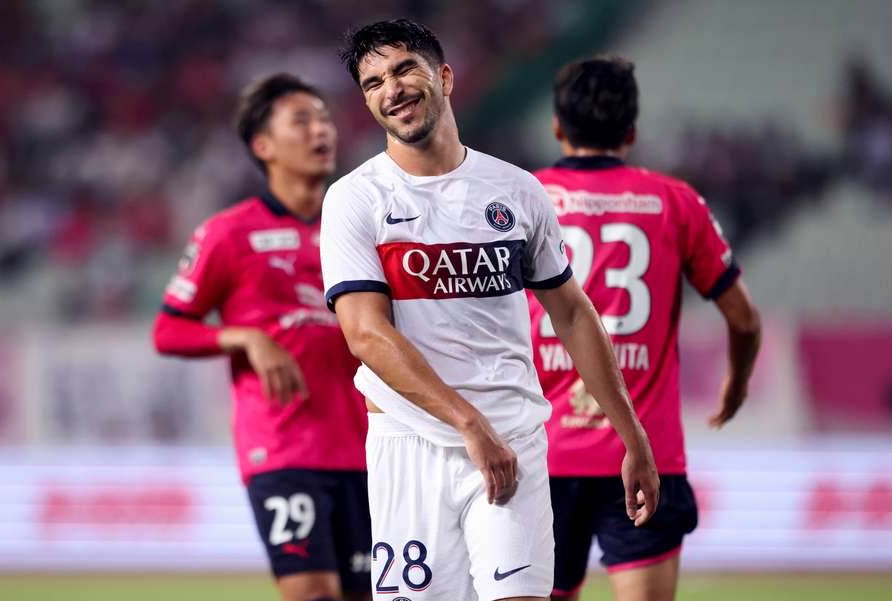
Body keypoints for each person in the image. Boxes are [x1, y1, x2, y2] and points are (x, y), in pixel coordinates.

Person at [320, 20, 659, 601]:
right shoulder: (356, 198)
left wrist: (634, 437)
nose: (392, 89)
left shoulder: (517, 190)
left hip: (513, 438)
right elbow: (367, 335)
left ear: (444, 76)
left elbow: (573, 315)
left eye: (404, 69)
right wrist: (466, 425)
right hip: (410, 445)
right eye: (373, 82)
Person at [527, 55, 762, 601]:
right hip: (643, 454)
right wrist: (738, 382)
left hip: (540, 452)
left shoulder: (523, 197)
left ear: (558, 127)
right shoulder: (675, 202)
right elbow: (745, 320)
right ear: (632, 131)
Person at [152, 74, 371, 601]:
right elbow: (168, 329)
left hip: (370, 449)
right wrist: (246, 338)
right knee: (313, 594)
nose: (321, 130)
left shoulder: (363, 227)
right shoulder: (228, 233)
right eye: (302, 120)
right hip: (284, 448)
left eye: (324, 118)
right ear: (263, 146)